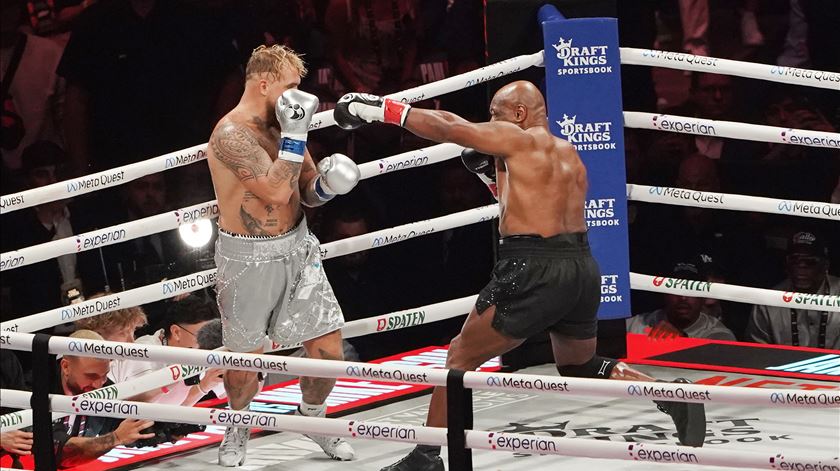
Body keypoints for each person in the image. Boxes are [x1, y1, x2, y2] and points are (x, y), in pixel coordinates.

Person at [334, 80, 707, 470]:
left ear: (519, 114)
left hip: (533, 267)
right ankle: (665, 392)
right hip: (581, 266)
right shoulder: (570, 156)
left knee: (459, 356)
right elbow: (533, 204)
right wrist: (494, 180)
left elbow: (447, 126)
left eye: (496, 115)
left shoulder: (517, 138)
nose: (491, 124)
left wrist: (380, 109)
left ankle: (427, 457)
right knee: (578, 363)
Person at [206, 44, 361, 466]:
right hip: (246, 258)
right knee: (243, 365)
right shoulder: (230, 134)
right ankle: (237, 427)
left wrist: (327, 186)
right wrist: (295, 135)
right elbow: (274, 191)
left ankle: (311, 417)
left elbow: (304, 189)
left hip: (298, 247)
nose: (299, 95)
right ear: (264, 83)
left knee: (329, 351)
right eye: (291, 85)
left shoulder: (283, 125)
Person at [107, 295, 223, 406]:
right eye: (202, 335)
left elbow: (176, 411)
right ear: (176, 332)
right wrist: (170, 381)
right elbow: (141, 413)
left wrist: (204, 386)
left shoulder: (193, 351)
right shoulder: (144, 355)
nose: (208, 342)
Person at [747, 230, 840, 349]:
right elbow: (756, 352)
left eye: (810, 261)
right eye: (794, 259)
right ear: (786, 264)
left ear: (825, 265)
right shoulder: (767, 303)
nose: (801, 266)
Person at [627, 261, 736, 341]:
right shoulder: (635, 326)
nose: (683, 297)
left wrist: (681, 342)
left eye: (691, 289)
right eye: (676, 289)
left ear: (704, 295)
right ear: (664, 292)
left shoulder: (719, 335)